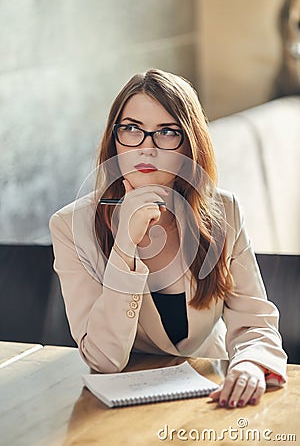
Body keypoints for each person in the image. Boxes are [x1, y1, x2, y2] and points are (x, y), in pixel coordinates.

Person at [49, 68, 287, 409]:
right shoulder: (71, 225)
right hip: (118, 408)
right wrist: (125, 247)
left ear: (189, 144)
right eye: (131, 129)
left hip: (213, 393)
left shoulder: (224, 210)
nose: (147, 148)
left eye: (166, 132)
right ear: (114, 138)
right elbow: (103, 359)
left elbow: (254, 322)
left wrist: (249, 363)